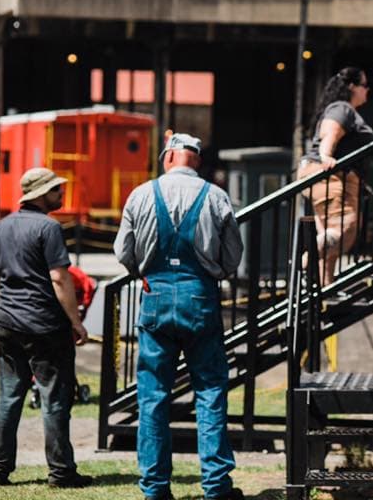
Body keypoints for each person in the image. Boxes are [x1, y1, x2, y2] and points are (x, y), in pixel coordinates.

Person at [114, 133, 244, 500]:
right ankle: (217, 486)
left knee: (153, 396)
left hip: (155, 298)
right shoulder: (216, 196)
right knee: (210, 391)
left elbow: (123, 250)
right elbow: (233, 256)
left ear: (169, 157)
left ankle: (155, 488)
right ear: (196, 161)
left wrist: (142, 271)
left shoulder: (141, 194)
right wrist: (214, 271)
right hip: (200, 299)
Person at [0, 167, 92, 489]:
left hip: (7, 324)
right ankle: (61, 473)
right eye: (57, 190)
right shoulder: (49, 228)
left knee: (8, 397)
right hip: (45, 328)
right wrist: (75, 322)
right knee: (55, 400)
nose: (62, 194)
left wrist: (12, 303)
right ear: (41, 194)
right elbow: (60, 278)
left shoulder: (2, 227)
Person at [297, 66, 373, 285]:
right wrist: (326, 156)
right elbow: (330, 131)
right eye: (364, 85)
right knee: (345, 229)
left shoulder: (342, 109)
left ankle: (325, 288)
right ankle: (304, 261)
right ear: (352, 87)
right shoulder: (342, 108)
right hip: (329, 175)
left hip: (329, 177)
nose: (367, 90)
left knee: (331, 236)